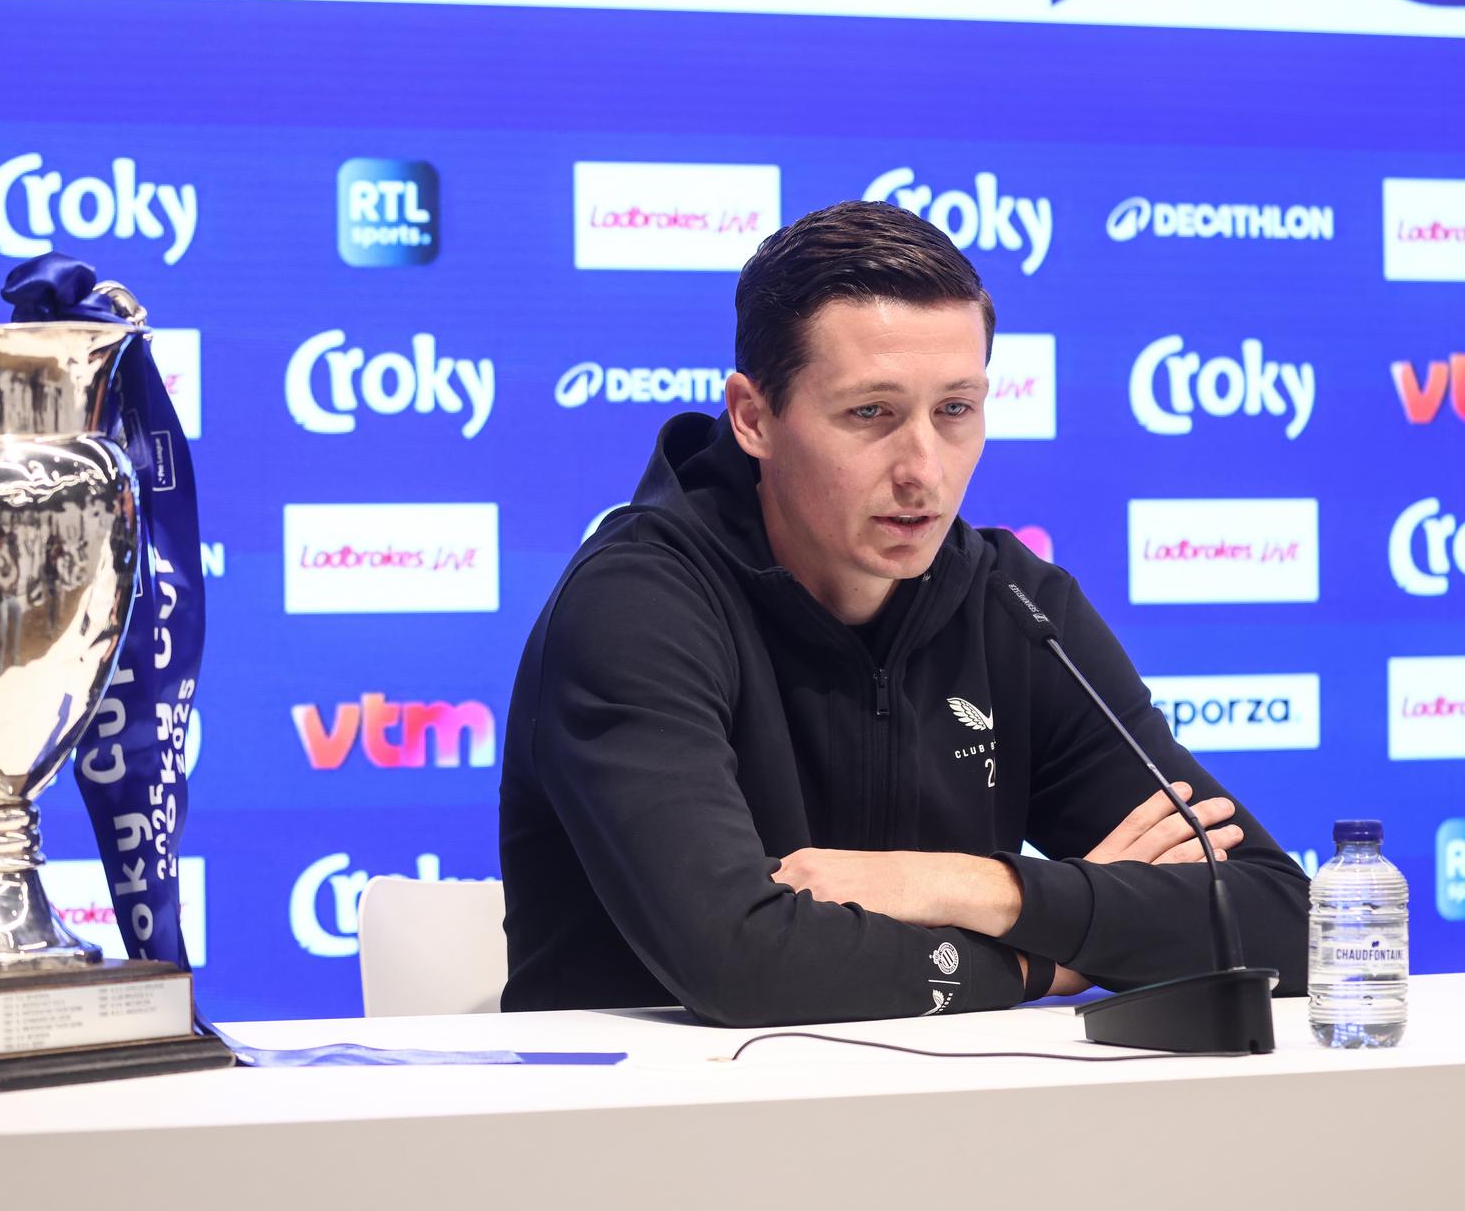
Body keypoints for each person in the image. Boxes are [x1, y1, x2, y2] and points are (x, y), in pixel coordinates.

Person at [498, 200, 1308, 1025]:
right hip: (645, 1131)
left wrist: (969, 884)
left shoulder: (1016, 607)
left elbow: (1281, 920)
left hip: (939, 1129)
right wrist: (1050, 961)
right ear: (753, 417)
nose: (924, 470)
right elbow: (742, 964)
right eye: (871, 414)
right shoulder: (636, 606)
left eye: (955, 410)